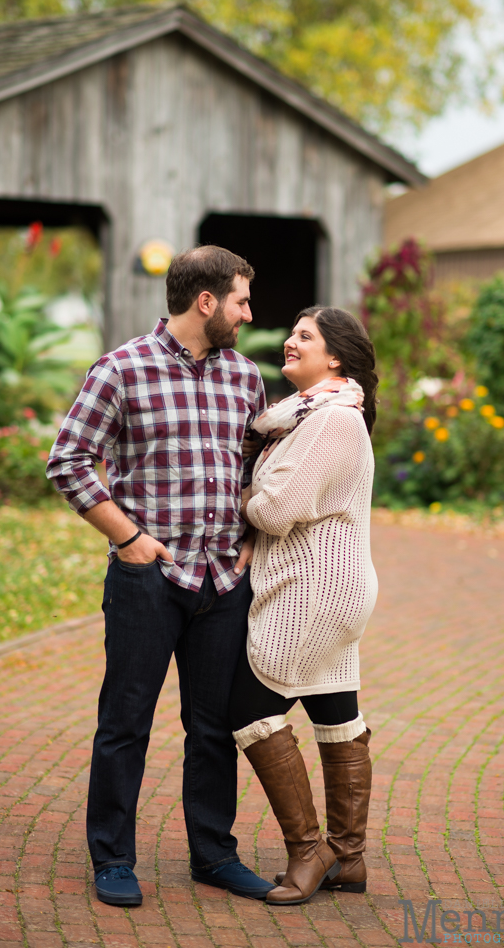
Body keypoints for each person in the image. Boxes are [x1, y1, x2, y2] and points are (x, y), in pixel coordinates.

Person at [46, 245, 275, 907]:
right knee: (125, 723)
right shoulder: (121, 369)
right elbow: (68, 461)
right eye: (240, 300)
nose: (247, 313)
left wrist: (251, 543)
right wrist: (132, 541)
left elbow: (254, 471)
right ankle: (112, 858)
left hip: (223, 582)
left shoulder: (243, 376)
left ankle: (213, 855)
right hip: (148, 580)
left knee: (213, 728)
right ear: (206, 301)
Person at [230, 305, 379, 906]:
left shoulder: (331, 422)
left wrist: (239, 494)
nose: (291, 342)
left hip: (311, 590)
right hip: (334, 585)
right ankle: (349, 857)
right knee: (335, 709)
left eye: (306, 336)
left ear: (335, 357)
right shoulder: (304, 418)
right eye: (292, 332)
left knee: (248, 708)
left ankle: (309, 850)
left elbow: (273, 510)